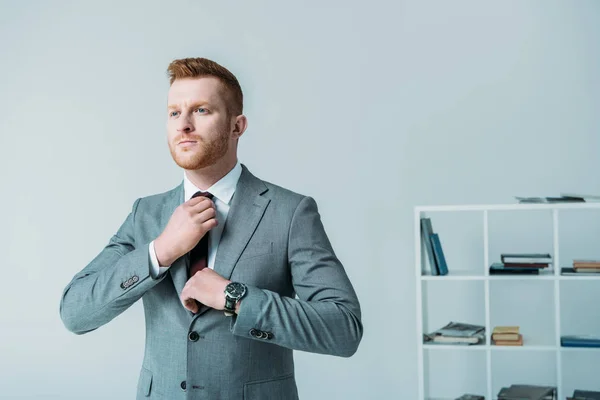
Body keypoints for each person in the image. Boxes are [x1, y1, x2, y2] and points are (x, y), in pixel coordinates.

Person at [59, 57, 363, 400]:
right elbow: (75, 312)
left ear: (237, 126)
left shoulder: (290, 212)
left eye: (201, 110)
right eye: (174, 113)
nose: (183, 125)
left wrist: (235, 298)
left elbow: (343, 329)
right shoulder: (146, 214)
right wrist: (160, 251)